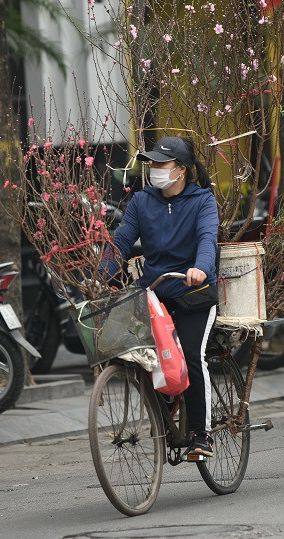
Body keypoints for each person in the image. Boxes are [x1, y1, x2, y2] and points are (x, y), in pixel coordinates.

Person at [102, 136, 219, 458]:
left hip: (193, 293)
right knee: (144, 357)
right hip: (154, 295)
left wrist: (200, 267)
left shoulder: (203, 201)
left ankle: (201, 435)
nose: (153, 169)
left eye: (160, 164)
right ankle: (168, 404)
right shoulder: (142, 201)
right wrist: (98, 275)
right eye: (151, 163)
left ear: (181, 170)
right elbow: (122, 241)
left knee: (191, 357)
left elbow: (208, 239)